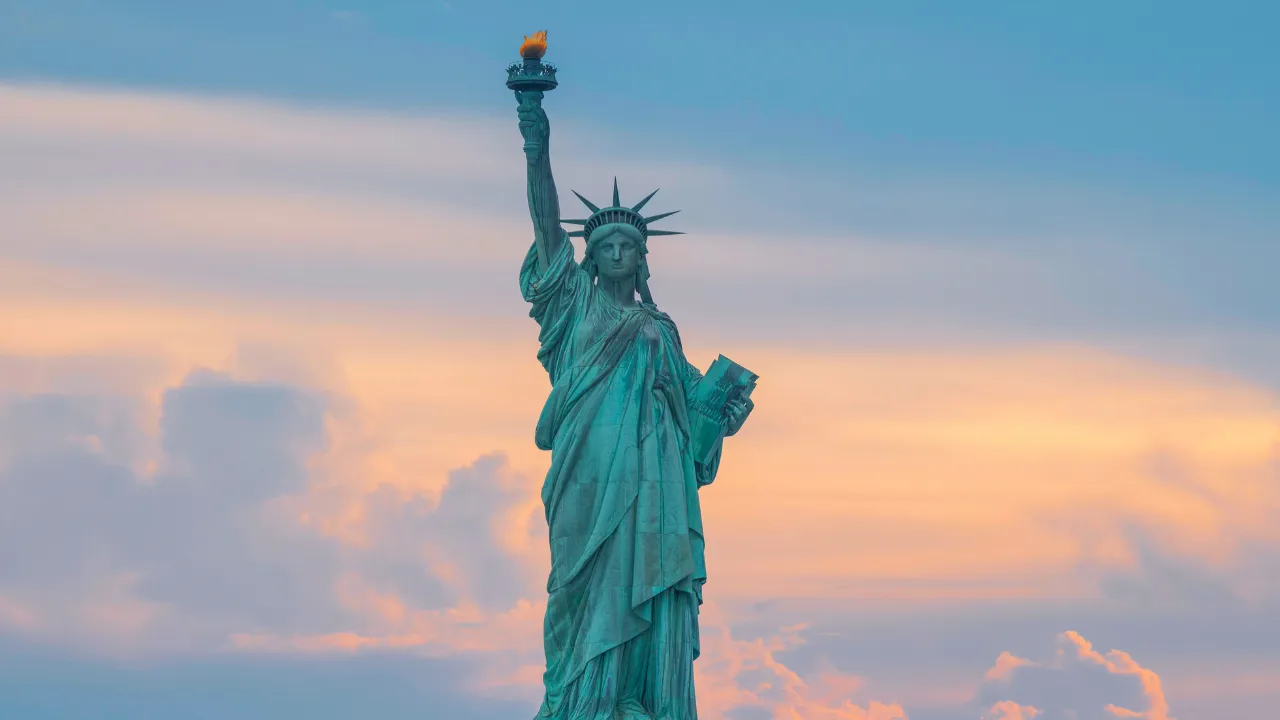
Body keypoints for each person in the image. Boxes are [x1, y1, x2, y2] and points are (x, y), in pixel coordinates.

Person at [515, 89, 753, 720]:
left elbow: (692, 418)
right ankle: (580, 701)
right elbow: (544, 224)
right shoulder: (571, 308)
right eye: (606, 245)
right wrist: (534, 133)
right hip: (586, 476)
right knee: (578, 590)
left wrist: (721, 418)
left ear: (642, 260)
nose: (617, 253)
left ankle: (634, 698)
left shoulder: (662, 329)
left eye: (629, 246)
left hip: (655, 486)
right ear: (589, 257)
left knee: (643, 585)